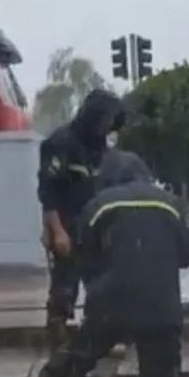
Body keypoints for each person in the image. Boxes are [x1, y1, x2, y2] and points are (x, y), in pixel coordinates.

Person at [31, 150, 189, 377]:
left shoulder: (98, 205)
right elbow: (188, 257)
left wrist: (101, 287)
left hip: (110, 303)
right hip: (161, 307)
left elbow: (84, 257)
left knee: (75, 360)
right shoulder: (171, 204)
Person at [37, 90, 126, 348]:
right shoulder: (60, 144)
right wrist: (56, 231)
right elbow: (48, 192)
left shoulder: (101, 147)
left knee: (102, 285)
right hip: (68, 223)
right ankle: (59, 343)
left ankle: (99, 337)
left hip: (98, 225)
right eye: (105, 120)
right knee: (64, 287)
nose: (107, 126)